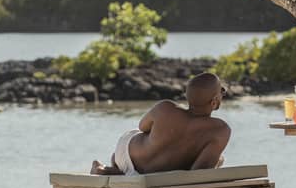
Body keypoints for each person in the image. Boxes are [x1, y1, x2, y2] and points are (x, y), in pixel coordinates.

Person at [91, 72, 231, 175]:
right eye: (222, 91)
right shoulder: (220, 130)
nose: (222, 94)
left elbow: (142, 127)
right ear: (214, 102)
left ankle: (109, 168)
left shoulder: (165, 107)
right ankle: (119, 170)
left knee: (143, 140)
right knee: (218, 159)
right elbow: (199, 174)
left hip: (126, 155)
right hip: (160, 175)